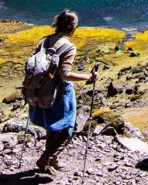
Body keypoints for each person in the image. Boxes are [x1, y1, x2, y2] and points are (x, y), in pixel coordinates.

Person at [30, 10, 99, 173]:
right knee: (70, 126)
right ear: (72, 28)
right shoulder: (69, 47)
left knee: (52, 126)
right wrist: (88, 77)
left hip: (41, 90)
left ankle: (51, 160)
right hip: (59, 92)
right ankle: (46, 158)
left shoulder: (44, 41)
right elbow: (65, 74)